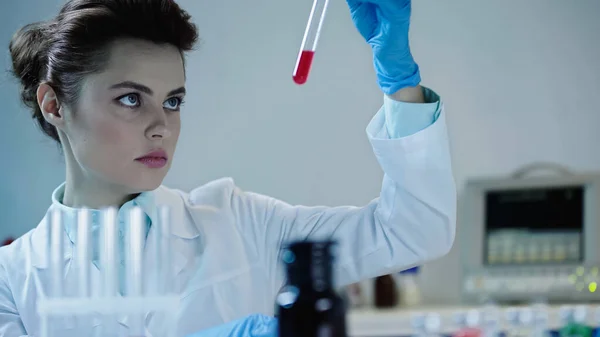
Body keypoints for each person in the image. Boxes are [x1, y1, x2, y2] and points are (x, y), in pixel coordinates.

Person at [0, 0, 456, 336]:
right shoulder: (12, 278)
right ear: (54, 104)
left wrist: (400, 82)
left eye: (173, 101)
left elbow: (413, 231)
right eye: (131, 99)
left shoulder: (240, 221)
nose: (161, 126)